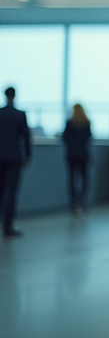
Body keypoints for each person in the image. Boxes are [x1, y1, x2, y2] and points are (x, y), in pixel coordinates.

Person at [0, 87, 31, 237]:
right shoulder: (19, 115)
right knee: (11, 192)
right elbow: (26, 137)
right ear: (15, 96)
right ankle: (7, 226)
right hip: (14, 157)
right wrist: (28, 157)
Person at [63, 104, 92, 212]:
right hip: (83, 154)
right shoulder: (86, 123)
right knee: (84, 177)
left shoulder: (70, 123)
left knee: (71, 178)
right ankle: (82, 198)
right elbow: (89, 137)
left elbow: (65, 138)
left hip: (72, 154)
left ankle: (73, 201)